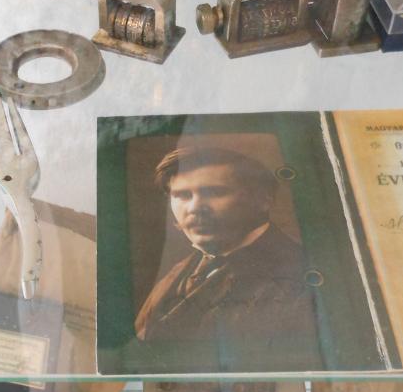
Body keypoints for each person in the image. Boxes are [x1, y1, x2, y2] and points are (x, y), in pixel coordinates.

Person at [134, 146, 320, 350]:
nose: (195, 208)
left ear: (263, 200)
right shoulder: (179, 271)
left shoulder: (298, 272)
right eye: (183, 195)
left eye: (215, 192)